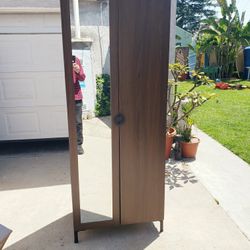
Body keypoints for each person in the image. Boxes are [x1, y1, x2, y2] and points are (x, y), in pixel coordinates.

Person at [72, 55, 86, 155]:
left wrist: (77, 71)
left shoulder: (75, 59)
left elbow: (82, 78)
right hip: (63, 96)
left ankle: (78, 144)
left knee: (78, 122)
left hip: (76, 96)